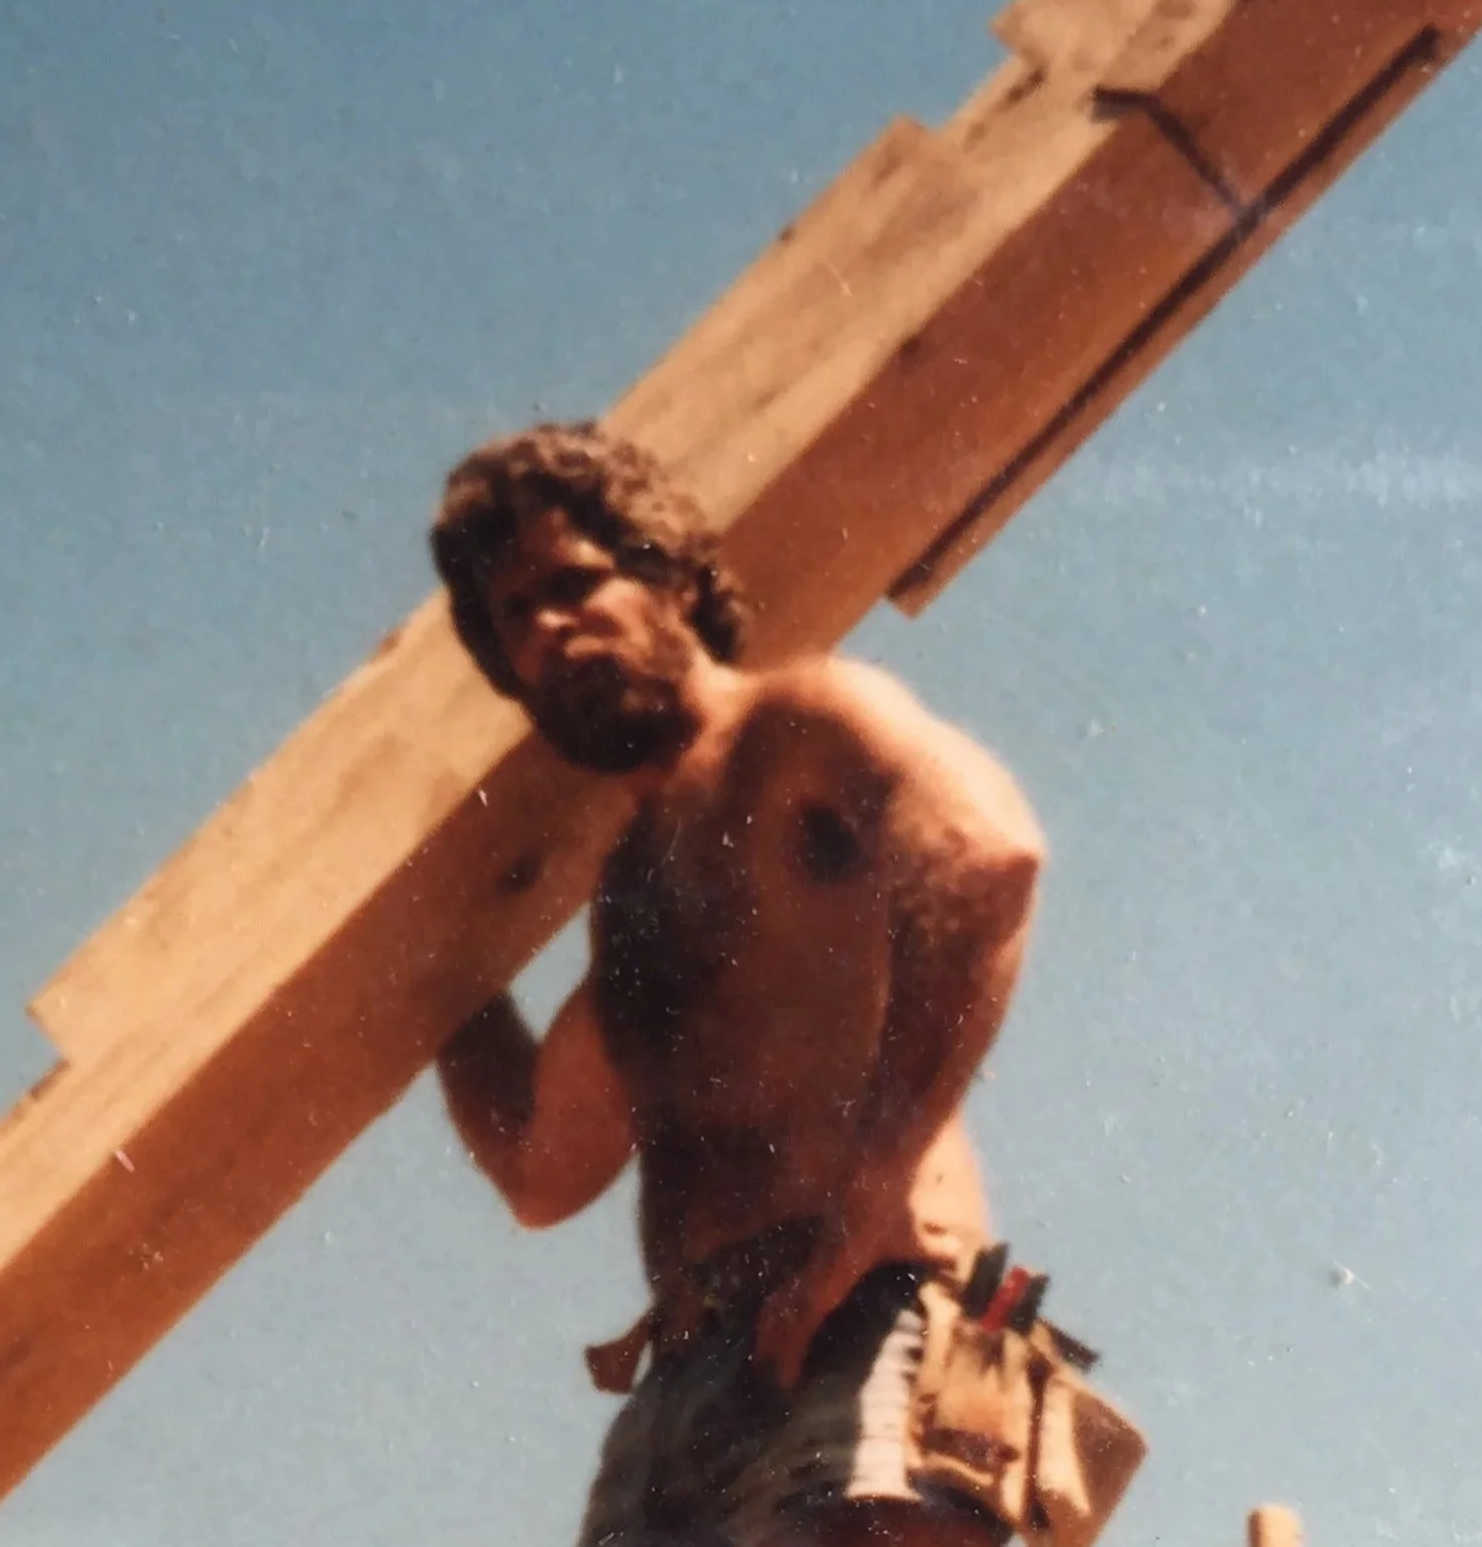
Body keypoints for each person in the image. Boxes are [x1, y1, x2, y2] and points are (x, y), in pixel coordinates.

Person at [430, 421, 1051, 1547]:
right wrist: (429, 988)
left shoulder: (797, 727)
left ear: (671, 574)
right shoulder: (629, 893)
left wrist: (871, 1192)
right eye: (515, 617)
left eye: (576, 584)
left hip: (878, 1295)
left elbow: (985, 853)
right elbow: (543, 1167)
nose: (551, 628)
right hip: (691, 1371)